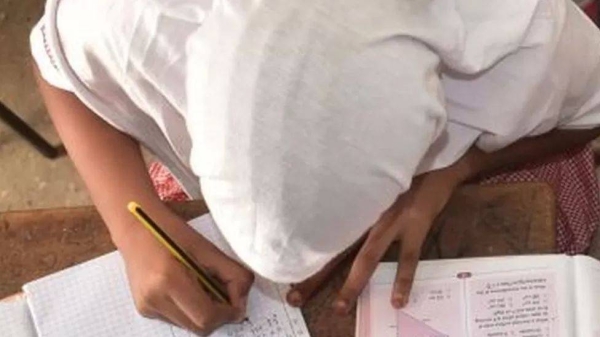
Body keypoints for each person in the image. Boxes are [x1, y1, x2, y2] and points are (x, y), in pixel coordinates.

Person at [31, 0, 600, 334]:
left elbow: (588, 111)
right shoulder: (130, 18)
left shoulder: (517, 28)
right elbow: (54, 66)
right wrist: (132, 227)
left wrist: (450, 171)